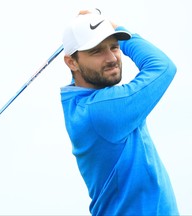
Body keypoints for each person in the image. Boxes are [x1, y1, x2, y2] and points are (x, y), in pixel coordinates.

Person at [60, 9, 179, 215]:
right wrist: (116, 28)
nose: (112, 58)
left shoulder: (77, 99)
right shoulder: (101, 111)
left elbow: (80, 77)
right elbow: (162, 67)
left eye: (114, 46)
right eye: (97, 50)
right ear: (71, 62)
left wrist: (95, 27)